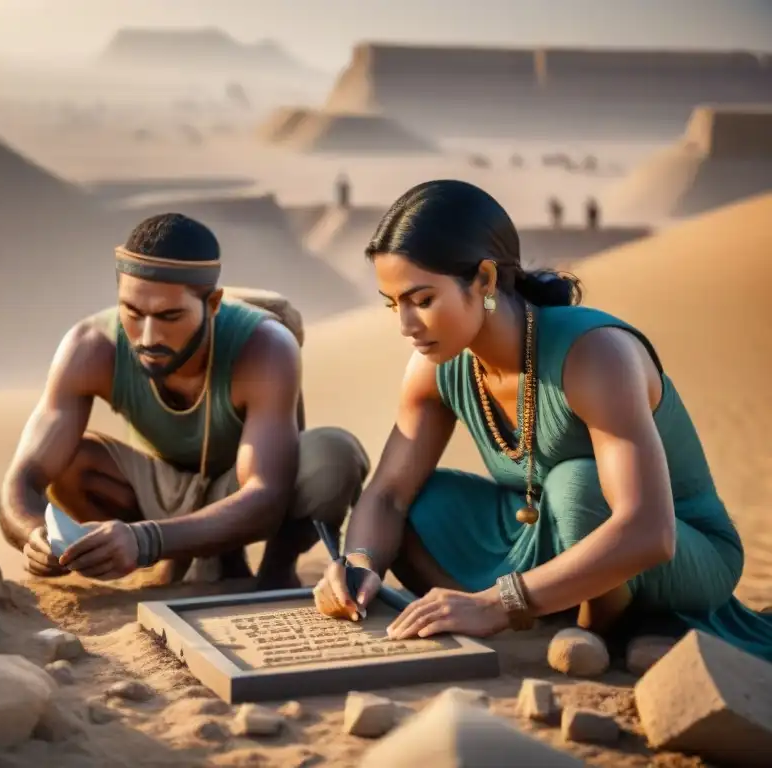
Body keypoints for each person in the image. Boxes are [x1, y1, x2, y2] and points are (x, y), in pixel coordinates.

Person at [313, 179, 772, 662]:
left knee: (577, 485)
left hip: (681, 550)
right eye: (393, 304)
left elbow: (648, 531)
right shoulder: (436, 366)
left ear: (486, 282)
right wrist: (359, 563)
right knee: (421, 506)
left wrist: (498, 603)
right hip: (540, 529)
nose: (405, 326)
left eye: (422, 301)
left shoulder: (595, 356)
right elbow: (387, 494)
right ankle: (567, 614)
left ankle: (607, 629)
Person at [0, 212, 369, 590]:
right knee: (66, 462)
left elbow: (265, 495)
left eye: (169, 315)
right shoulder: (90, 348)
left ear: (213, 304)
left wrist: (146, 540)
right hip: (159, 491)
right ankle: (172, 563)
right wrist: (33, 534)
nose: (146, 337)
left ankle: (275, 572)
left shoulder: (265, 347)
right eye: (132, 311)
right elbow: (22, 479)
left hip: (237, 490)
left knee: (333, 456)